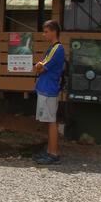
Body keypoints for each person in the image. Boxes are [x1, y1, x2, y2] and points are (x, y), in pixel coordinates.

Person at [33, 20, 65, 165]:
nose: (44, 34)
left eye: (46, 31)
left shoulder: (57, 49)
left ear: (53, 31)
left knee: (51, 121)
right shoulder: (52, 48)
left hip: (49, 89)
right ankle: (49, 151)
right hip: (47, 88)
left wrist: (38, 66)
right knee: (49, 121)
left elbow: (42, 67)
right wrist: (39, 66)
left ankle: (53, 153)